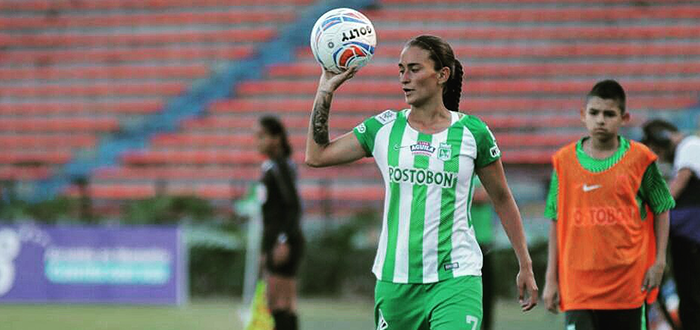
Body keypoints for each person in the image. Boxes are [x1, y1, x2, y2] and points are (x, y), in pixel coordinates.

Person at [305, 34, 538, 330]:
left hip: (457, 277)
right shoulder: (384, 128)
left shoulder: (473, 132)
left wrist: (525, 264)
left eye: (414, 69)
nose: (405, 78)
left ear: (442, 75)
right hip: (395, 281)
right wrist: (325, 91)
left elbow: (503, 198)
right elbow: (316, 155)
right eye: (401, 70)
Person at [542, 80, 675, 329]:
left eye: (609, 114)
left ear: (624, 118)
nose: (600, 120)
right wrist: (551, 279)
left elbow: (662, 208)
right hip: (578, 287)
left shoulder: (641, 159)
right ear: (583, 116)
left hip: (627, 287)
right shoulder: (564, 161)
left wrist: (659, 262)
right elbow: (555, 220)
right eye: (594, 113)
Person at [641, 119, 700, 330]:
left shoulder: (690, 146)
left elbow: (674, 190)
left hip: (693, 236)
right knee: (688, 294)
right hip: (688, 236)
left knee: (692, 296)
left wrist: (650, 203)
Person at [256, 116, 304, 330]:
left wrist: (283, 240)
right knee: (279, 302)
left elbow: (292, 205)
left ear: (276, 138)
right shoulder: (272, 166)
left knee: (280, 302)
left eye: (261, 136)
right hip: (275, 240)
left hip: (283, 241)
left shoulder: (280, 167)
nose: (257, 141)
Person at [471, 178, 496, 330]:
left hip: (485, 246)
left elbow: (489, 194)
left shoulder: (480, 177)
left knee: (487, 296)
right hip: (468, 247)